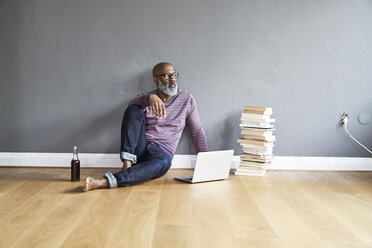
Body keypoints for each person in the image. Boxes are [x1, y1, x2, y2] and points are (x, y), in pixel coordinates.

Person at [84, 62, 208, 191]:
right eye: (167, 76)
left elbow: (197, 131)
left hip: (161, 153)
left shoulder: (186, 99)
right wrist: (150, 99)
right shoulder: (146, 98)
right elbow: (131, 109)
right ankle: (127, 163)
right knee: (134, 109)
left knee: (164, 163)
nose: (172, 80)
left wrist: (205, 160)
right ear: (156, 79)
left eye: (174, 75)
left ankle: (104, 182)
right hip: (140, 147)